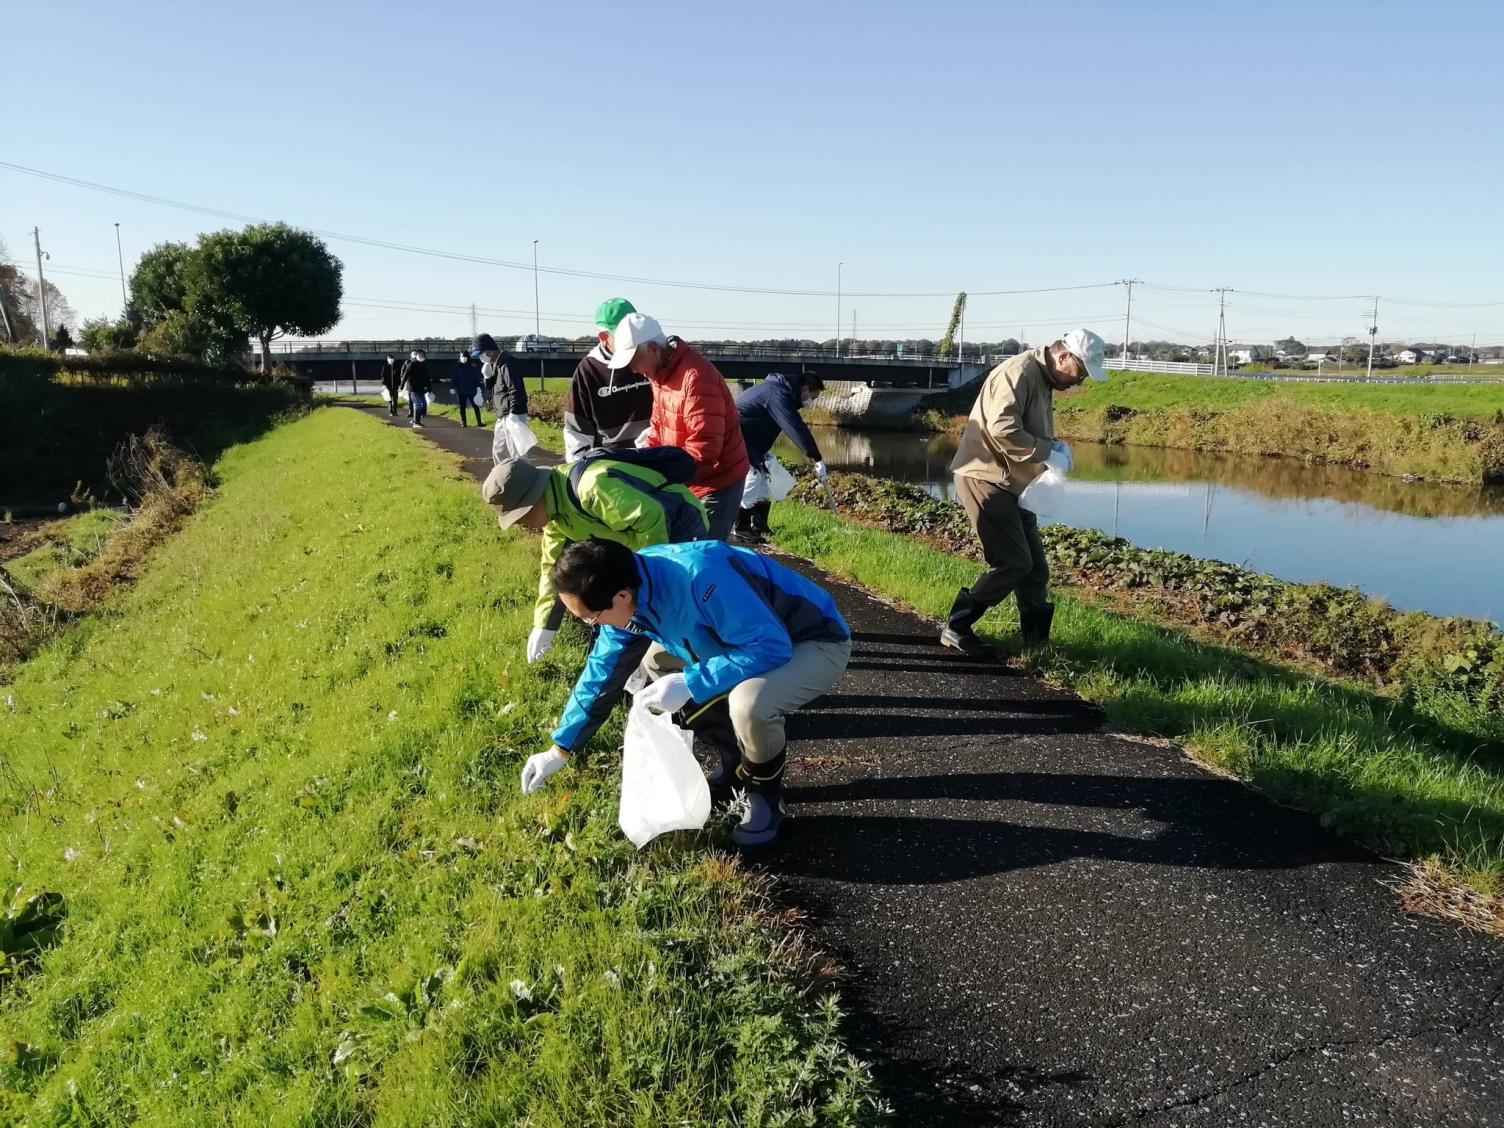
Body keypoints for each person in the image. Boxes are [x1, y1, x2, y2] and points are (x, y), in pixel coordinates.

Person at [519, 538, 851, 849]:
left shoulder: (700, 576)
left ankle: (764, 794)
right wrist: (560, 748)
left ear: (620, 597)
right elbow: (602, 673)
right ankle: (737, 764)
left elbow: (771, 646)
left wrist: (691, 682)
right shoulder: (633, 587)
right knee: (658, 660)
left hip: (811, 640)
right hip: (746, 638)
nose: (593, 625)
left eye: (590, 618)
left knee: (749, 704)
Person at [942, 328, 1106, 654]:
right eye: (1081, 372)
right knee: (1014, 562)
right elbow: (1002, 428)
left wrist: (1053, 446)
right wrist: (1047, 452)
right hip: (987, 478)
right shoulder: (1019, 372)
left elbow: (1026, 428)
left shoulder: (1043, 377)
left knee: (1036, 570)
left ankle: (1036, 646)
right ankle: (956, 627)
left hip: (1016, 483)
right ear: (1063, 356)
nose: (1081, 381)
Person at [481, 453, 708, 664]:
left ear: (533, 499)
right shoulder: (556, 516)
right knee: (633, 609)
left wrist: (650, 581)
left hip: (679, 526)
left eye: (521, 517)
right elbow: (552, 568)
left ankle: (701, 671)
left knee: (677, 607)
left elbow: (651, 517)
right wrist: (544, 624)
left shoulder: (592, 487)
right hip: (638, 545)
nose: (521, 524)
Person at [608, 313, 750, 541]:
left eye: (634, 361)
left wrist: (664, 478)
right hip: (688, 477)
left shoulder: (696, 377)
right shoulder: (659, 377)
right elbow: (658, 429)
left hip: (717, 482)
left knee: (702, 554)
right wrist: (647, 465)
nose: (634, 369)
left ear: (654, 349)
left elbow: (704, 449)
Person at [734, 371, 829, 543]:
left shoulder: (779, 392)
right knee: (752, 478)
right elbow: (795, 427)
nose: (811, 402)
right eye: (812, 397)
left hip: (751, 442)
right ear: (805, 389)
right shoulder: (777, 394)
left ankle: (759, 526)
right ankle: (740, 527)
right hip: (736, 437)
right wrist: (816, 457)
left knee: (763, 479)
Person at [562, 297, 654, 461]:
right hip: (612, 464)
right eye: (624, 335)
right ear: (604, 337)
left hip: (655, 455)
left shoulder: (651, 355)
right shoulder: (588, 370)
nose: (633, 340)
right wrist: (580, 470)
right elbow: (576, 431)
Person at [475, 332, 531, 460]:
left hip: (513, 414)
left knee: (516, 452)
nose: (480, 358)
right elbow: (492, 388)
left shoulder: (507, 364)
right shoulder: (494, 364)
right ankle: (503, 477)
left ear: (489, 350)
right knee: (499, 450)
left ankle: (524, 478)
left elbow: (515, 389)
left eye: (480, 354)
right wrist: (487, 377)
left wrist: (514, 413)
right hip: (502, 414)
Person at [450, 350, 484, 427]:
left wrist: (478, 387)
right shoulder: (457, 367)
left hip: (472, 390)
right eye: (462, 356)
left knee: (476, 406)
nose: (464, 358)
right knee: (462, 407)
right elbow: (454, 378)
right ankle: (463, 422)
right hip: (461, 390)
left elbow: (476, 378)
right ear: (460, 357)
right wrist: (452, 387)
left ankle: (479, 422)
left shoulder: (473, 366)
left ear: (468, 357)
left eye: (465, 356)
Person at [399, 349, 432, 428]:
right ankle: (416, 423)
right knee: (418, 405)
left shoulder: (424, 366)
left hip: (421, 389)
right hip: (413, 389)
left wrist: (430, 389)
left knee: (424, 406)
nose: (421, 357)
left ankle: (415, 419)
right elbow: (405, 375)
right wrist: (402, 386)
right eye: (420, 356)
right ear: (416, 356)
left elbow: (427, 378)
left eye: (423, 356)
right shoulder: (412, 364)